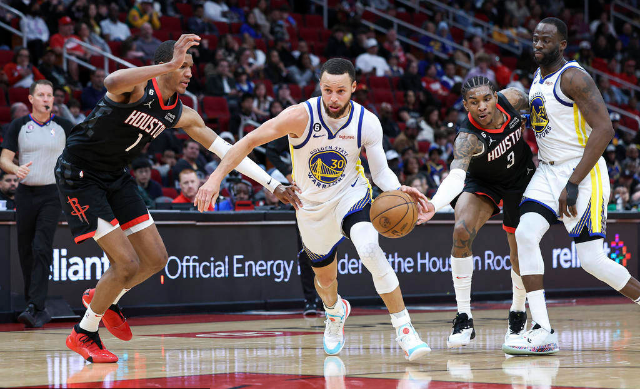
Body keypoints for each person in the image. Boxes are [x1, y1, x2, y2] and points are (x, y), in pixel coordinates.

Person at [55, 35, 300, 363]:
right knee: (125, 262)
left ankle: (102, 298)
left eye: (189, 67)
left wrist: (273, 183)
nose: (188, 72)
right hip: (80, 176)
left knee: (156, 259)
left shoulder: (181, 114)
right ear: (163, 66)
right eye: (182, 66)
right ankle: (84, 332)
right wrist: (167, 64)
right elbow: (111, 80)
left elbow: (228, 150)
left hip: (115, 176)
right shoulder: (138, 89)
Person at [195, 58, 431, 361]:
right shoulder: (299, 116)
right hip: (310, 206)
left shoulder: (367, 121)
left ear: (354, 88)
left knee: (370, 248)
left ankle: (405, 328)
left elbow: (381, 172)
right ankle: (334, 313)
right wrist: (215, 178)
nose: (333, 98)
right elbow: (250, 141)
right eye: (327, 90)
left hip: (351, 195)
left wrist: (398, 189)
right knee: (325, 281)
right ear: (320, 87)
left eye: (341, 91)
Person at [502, 18, 640, 355]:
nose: (537, 44)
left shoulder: (574, 77)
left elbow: (604, 129)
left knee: (592, 261)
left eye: (545, 40)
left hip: (582, 171)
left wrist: (574, 182)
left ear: (562, 44)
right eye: (534, 38)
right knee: (524, 235)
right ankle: (543, 329)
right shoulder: (538, 79)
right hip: (547, 172)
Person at [418, 76, 535, 347]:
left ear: (496, 96)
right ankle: (464, 317)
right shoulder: (467, 138)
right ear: (465, 105)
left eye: (486, 99)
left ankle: (517, 313)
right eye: (474, 102)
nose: (481, 107)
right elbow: (456, 176)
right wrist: (434, 205)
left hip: (521, 179)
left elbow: (542, 109)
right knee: (460, 231)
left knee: (518, 249)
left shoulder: (515, 99)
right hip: (483, 182)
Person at [0, 80, 74, 328]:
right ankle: (34, 305)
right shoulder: (19, 125)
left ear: (53, 100)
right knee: (25, 250)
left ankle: (36, 306)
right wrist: (15, 168)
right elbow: (4, 159)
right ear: (31, 99)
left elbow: (81, 153)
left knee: (42, 246)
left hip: (52, 194)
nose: (46, 99)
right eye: (41, 94)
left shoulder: (64, 126)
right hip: (25, 194)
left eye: (50, 95)